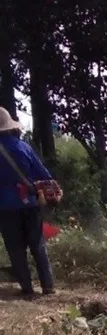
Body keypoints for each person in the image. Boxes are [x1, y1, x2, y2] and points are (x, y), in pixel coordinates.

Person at [0, 108, 57, 299]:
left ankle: (27, 288)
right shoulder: (24, 148)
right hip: (30, 204)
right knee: (38, 245)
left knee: (16, 249)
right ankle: (48, 286)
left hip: (5, 209)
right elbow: (45, 176)